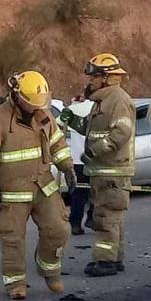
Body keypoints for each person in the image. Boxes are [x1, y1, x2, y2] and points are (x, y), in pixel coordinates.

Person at [0, 72, 76, 300]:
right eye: (31, 104)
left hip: (43, 186)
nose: (35, 108)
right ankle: (15, 283)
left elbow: (57, 142)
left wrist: (67, 166)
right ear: (16, 95)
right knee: (12, 240)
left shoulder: (43, 115)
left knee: (59, 229)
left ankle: (49, 269)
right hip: (12, 192)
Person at [61, 53, 136, 278]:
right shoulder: (102, 102)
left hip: (112, 170)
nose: (89, 81)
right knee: (113, 217)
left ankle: (105, 261)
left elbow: (121, 132)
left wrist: (95, 150)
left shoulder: (118, 100)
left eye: (93, 77)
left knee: (106, 218)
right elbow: (92, 129)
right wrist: (72, 119)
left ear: (105, 77)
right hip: (104, 170)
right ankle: (116, 257)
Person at [67, 96, 94, 235]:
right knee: (97, 191)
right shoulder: (98, 109)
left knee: (79, 194)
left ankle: (75, 223)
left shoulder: (73, 109)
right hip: (94, 158)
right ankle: (92, 217)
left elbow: (58, 122)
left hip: (77, 159)